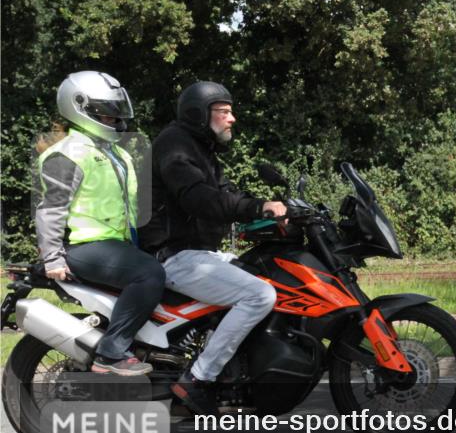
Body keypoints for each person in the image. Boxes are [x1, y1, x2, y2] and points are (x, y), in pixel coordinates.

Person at [140, 81, 286, 415]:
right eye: (223, 111)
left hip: (198, 254)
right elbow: (200, 198)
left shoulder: (201, 148)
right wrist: (258, 206)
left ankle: (236, 369)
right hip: (176, 256)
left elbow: (226, 194)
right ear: (199, 114)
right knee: (259, 295)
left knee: (264, 274)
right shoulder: (174, 146)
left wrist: (268, 216)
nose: (232, 118)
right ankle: (198, 378)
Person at [36, 71, 162, 376]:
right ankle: (110, 352)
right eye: (107, 112)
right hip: (83, 245)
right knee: (149, 274)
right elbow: (51, 208)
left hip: (115, 246)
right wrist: (51, 256)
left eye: (117, 111)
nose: (116, 119)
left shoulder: (116, 153)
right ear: (80, 108)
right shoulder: (68, 154)